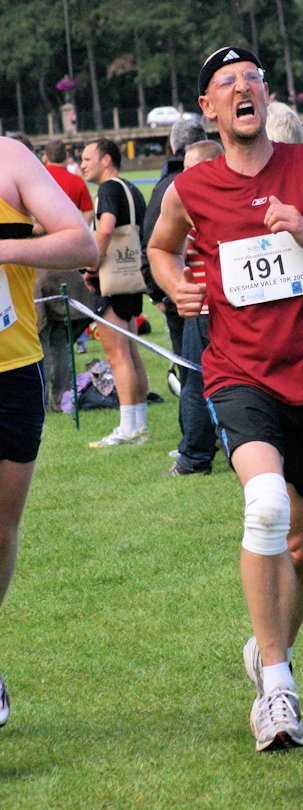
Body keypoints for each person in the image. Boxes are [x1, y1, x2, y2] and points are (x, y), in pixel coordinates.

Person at [148, 45, 303, 752]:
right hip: (239, 372)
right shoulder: (190, 188)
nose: (242, 90)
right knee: (264, 505)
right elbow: (162, 248)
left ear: (267, 98)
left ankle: (268, 650)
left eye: (252, 80)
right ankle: (280, 688)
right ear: (208, 109)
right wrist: (175, 286)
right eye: (226, 84)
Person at [0, 136, 98, 727]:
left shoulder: (10, 158)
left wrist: (5, 249)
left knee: (2, 532)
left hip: (11, 373)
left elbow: (80, 241)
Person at [139, 118, 208, 456]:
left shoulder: (168, 184)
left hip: (192, 300)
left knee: (192, 374)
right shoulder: (174, 189)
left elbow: (148, 241)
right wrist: (165, 291)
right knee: (192, 373)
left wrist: (159, 292)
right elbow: (156, 245)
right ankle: (196, 447)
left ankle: (197, 449)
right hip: (187, 298)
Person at [80, 138, 150, 448]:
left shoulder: (108, 190)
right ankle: (139, 424)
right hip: (133, 278)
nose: (82, 164)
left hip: (112, 281)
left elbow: (105, 228)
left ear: (106, 160)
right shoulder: (131, 189)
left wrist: (91, 265)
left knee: (117, 355)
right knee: (132, 353)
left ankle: (127, 427)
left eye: (86, 158)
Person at [164, 139, 224, 476]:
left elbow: (171, 249)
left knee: (195, 385)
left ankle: (194, 457)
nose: (183, 177)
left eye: (190, 169)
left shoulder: (195, 206)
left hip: (203, 312)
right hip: (224, 308)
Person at [34, 140, 95, 411]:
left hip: (38, 265)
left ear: (45, 156)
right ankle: (62, 397)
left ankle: (42, 400)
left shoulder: (36, 178)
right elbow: (87, 216)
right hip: (66, 265)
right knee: (61, 337)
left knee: (40, 336)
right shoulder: (76, 182)